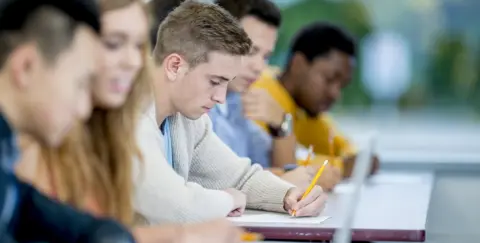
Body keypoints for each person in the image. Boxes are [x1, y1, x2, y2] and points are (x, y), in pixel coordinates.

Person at [15, 0, 243, 243]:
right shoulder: (34, 138)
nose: (134, 61)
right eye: (113, 43)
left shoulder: (109, 130)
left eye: (139, 46)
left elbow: (93, 236)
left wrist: (183, 239)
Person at [134, 0, 327, 224]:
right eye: (214, 81)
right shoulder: (131, 116)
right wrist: (227, 199)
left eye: (226, 83)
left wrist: (288, 195)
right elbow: (175, 206)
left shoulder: (187, 119)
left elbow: (240, 178)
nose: (221, 97)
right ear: (175, 66)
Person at [0, 0, 141, 243]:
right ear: (26, 66)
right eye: (79, 84)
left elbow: (83, 228)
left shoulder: (7, 161)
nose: (84, 109)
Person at [208, 0, 342, 190]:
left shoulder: (237, 101)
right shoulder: (197, 106)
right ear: (214, 40)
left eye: (265, 56)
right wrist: (301, 177)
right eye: (250, 50)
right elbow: (214, 182)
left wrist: (281, 123)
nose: (259, 67)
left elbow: (273, 166)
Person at [251, 22, 380, 179]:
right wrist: (344, 167)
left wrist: (359, 162)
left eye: (342, 85)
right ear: (298, 64)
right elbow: (274, 166)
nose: (335, 93)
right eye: (329, 79)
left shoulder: (304, 109)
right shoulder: (259, 92)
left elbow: (345, 149)